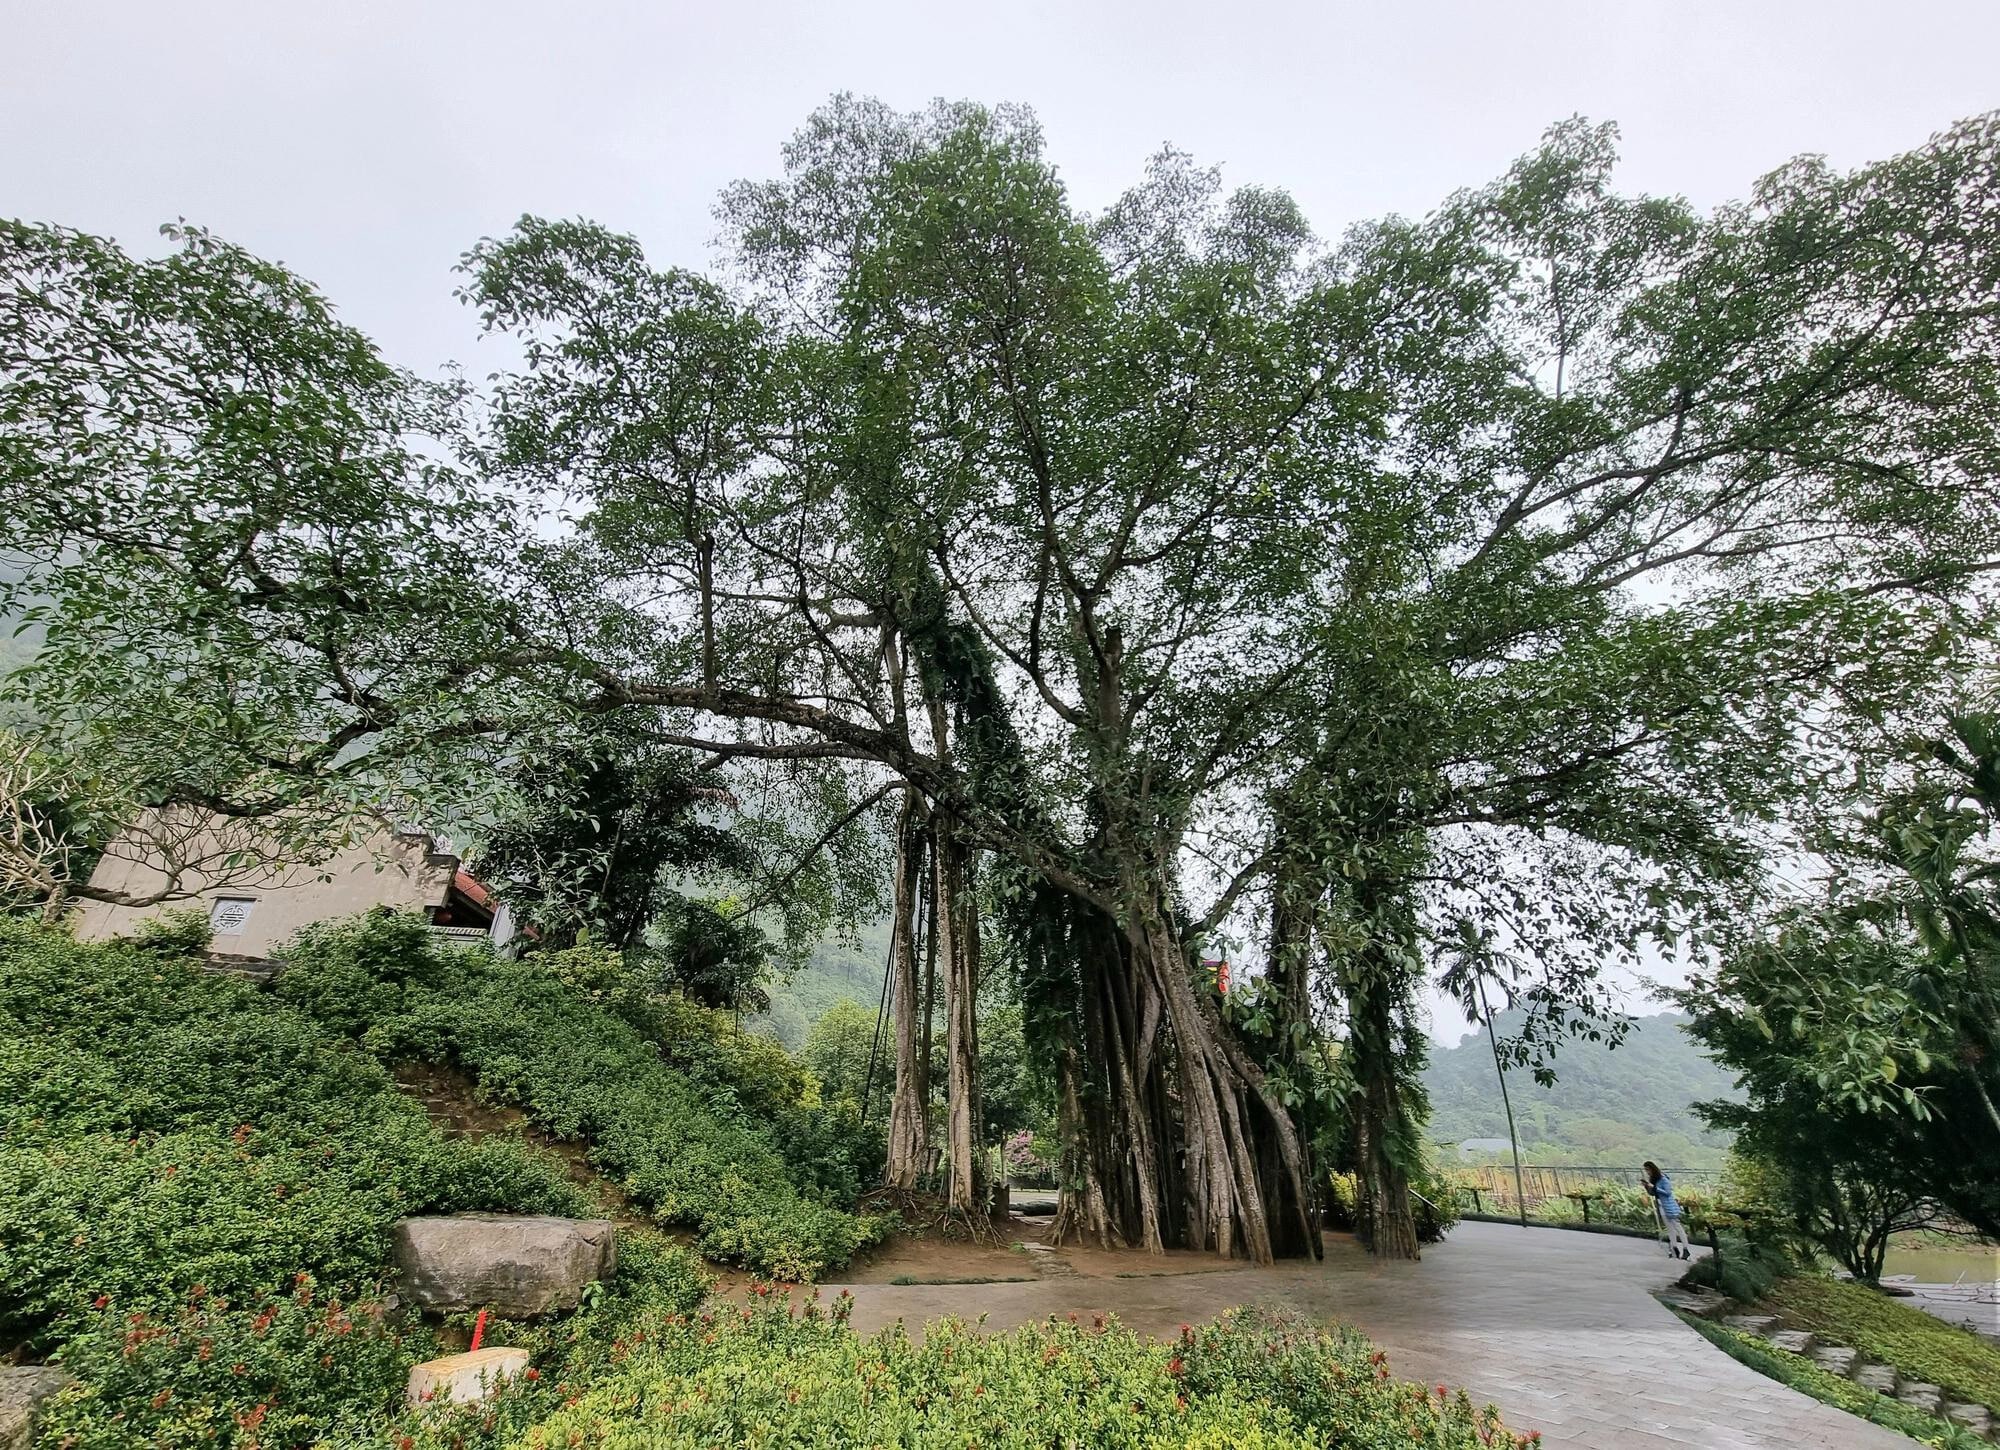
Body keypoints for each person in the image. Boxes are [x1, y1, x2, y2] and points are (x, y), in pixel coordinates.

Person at [1642, 1161, 1691, 1260]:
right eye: (1646, 1170)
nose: (1647, 1172)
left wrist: (1655, 1187)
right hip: (1661, 1206)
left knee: (1678, 1227)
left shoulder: (1663, 1179)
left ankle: (1686, 1249)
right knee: (1670, 1229)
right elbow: (1654, 1193)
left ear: (1653, 1169)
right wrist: (1647, 1187)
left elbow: (1668, 1193)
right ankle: (1674, 1249)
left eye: (1648, 1170)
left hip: (1670, 1206)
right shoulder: (1654, 1180)